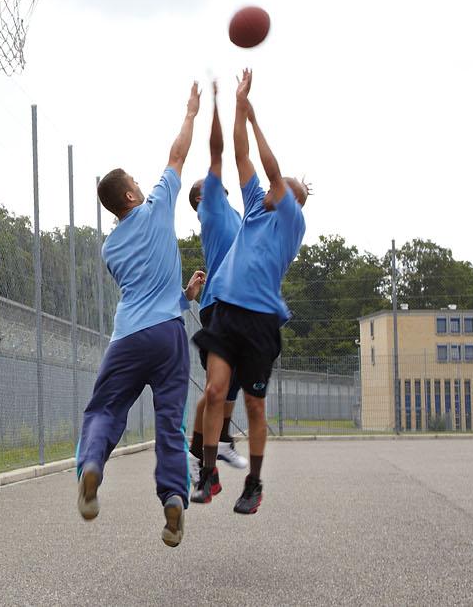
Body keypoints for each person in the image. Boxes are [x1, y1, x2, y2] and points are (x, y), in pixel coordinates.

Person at [77, 83, 204, 548]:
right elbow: (177, 155)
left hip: (128, 337)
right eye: (133, 180)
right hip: (168, 337)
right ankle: (173, 498)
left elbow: (142, 289)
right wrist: (190, 112)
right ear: (131, 194)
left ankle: (92, 465)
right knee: (169, 421)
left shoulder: (110, 248)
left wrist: (183, 294)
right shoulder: (155, 208)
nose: (139, 182)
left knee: (105, 409)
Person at [191, 69, 308, 515]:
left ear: (294, 201)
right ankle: (208, 475)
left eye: (291, 191)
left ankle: (254, 484)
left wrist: (255, 118)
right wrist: (239, 106)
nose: (280, 189)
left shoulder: (290, 222)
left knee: (255, 404)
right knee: (216, 392)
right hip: (226, 313)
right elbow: (239, 153)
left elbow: (272, 169)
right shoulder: (256, 204)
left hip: (260, 321)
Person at [186, 80, 248, 495]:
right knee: (215, 386)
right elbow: (217, 152)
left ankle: (218, 441)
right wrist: (215, 108)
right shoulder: (210, 206)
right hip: (217, 308)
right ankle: (199, 455)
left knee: (230, 384)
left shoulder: (234, 213)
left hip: (241, 307)